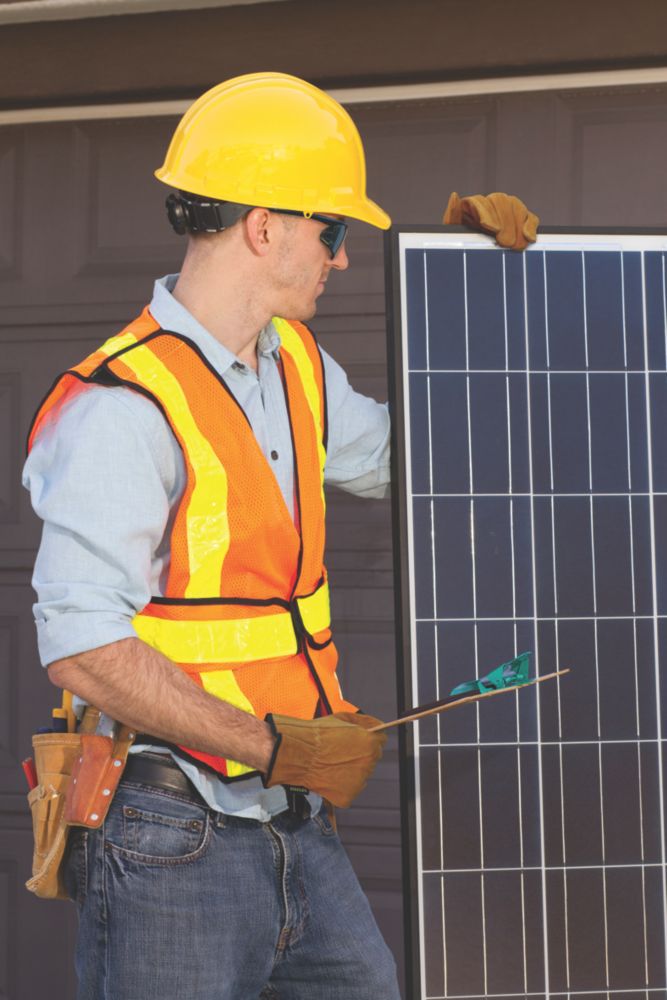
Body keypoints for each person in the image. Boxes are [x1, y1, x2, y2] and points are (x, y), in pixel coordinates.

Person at [24, 71, 538, 999]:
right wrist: (272, 746)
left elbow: (422, 464)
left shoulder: (294, 362)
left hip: (293, 820)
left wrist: (481, 292)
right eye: (330, 231)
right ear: (264, 228)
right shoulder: (122, 405)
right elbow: (81, 645)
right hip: (170, 828)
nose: (340, 259)